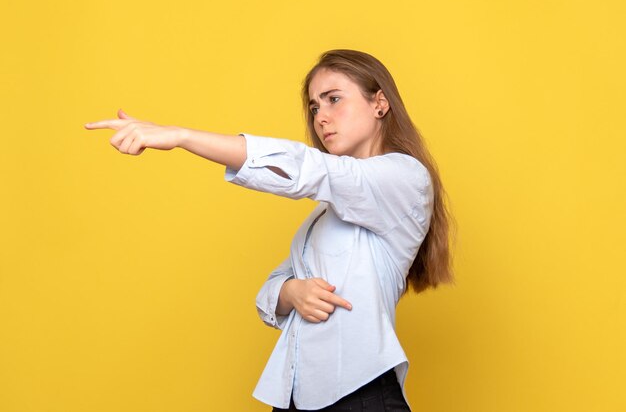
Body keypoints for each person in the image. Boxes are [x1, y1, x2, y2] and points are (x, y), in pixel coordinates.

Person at [84, 49, 454, 411]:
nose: (321, 117)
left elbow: (312, 169)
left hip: (360, 393)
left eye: (333, 99)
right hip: (297, 395)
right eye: (314, 107)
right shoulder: (326, 213)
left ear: (380, 104)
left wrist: (182, 137)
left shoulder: (405, 178)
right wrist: (292, 291)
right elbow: (271, 291)